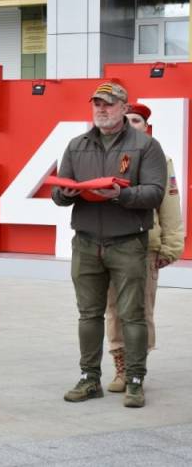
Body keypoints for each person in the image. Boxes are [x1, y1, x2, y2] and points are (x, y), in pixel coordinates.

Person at [51, 81, 167, 408]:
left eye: (109, 104)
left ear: (124, 108)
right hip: (86, 241)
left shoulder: (146, 146)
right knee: (88, 314)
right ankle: (90, 378)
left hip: (128, 242)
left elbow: (156, 193)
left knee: (132, 315)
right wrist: (64, 193)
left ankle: (134, 380)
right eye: (97, 104)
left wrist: (121, 194)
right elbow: (58, 192)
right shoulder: (77, 145)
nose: (102, 109)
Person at [104, 103, 183, 392]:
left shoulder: (159, 159)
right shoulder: (107, 157)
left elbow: (170, 204)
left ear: (146, 127)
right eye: (126, 120)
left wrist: (170, 247)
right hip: (110, 243)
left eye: (136, 120)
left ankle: (137, 369)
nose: (131, 124)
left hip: (145, 245)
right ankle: (120, 367)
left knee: (140, 310)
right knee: (113, 309)